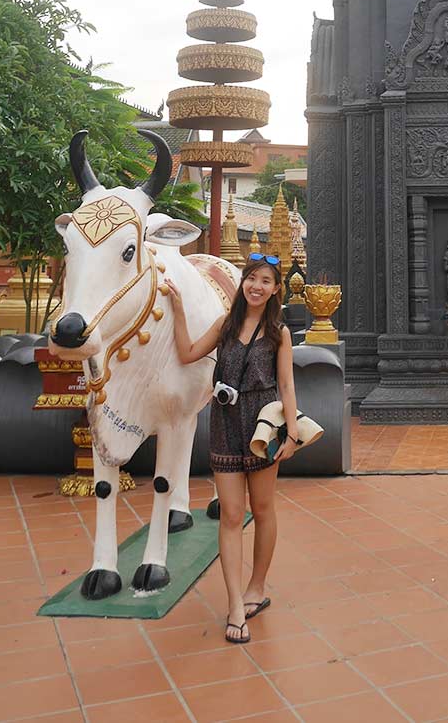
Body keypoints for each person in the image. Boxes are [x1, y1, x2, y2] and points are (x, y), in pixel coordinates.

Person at [165, 252, 298, 644]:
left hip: (264, 422)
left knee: (263, 508)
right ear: (243, 283)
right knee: (231, 515)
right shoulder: (225, 325)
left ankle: (257, 587)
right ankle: (235, 604)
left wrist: (291, 433)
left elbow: (287, 385)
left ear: (275, 290)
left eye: (265, 281)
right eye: (251, 279)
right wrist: (176, 309)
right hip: (226, 420)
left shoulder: (279, 333)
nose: (257, 287)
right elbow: (188, 353)